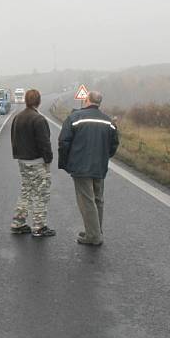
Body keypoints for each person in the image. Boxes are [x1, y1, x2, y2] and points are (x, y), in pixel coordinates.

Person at [58, 91, 120, 246]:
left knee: (87, 201)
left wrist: (65, 163)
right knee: (98, 200)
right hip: (99, 166)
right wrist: (104, 156)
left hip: (80, 166)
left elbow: (63, 142)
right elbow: (114, 144)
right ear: (99, 103)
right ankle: (95, 231)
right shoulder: (108, 121)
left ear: (86, 100)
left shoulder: (74, 118)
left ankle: (93, 236)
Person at [9, 89, 55, 237]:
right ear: (39, 101)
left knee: (26, 191)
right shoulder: (39, 119)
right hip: (37, 162)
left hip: (22, 161)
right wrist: (48, 159)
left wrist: (18, 155)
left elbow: (13, 139)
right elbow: (44, 143)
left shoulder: (17, 118)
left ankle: (18, 223)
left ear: (26, 101)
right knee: (41, 194)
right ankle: (39, 227)